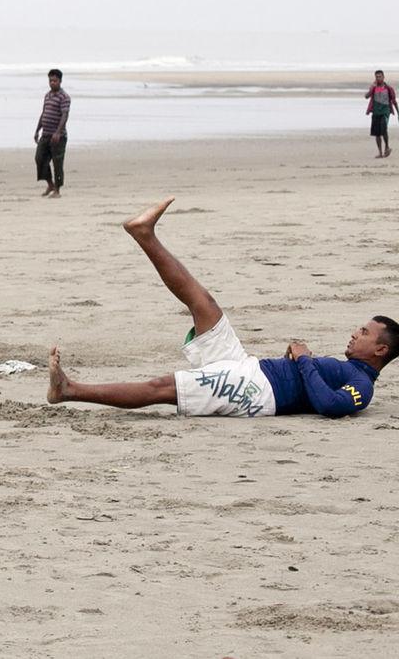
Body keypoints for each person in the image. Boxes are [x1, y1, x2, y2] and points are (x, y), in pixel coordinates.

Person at [47, 198, 396, 418]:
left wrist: (305, 359)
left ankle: (70, 390)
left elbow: (331, 406)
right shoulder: (347, 368)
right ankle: (145, 235)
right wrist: (299, 361)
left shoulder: (361, 383)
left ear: (381, 349)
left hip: (255, 391)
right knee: (205, 305)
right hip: (249, 367)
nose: (355, 333)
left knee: (163, 387)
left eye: (364, 332)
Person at [35, 68, 70, 196]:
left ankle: (57, 189)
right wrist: (37, 129)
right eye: (50, 81)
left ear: (60, 81)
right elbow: (44, 113)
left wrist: (58, 132)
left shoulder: (64, 97)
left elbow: (65, 115)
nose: (52, 83)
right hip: (45, 135)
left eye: (55, 81)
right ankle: (50, 184)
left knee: (57, 163)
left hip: (58, 137)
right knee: (40, 159)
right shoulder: (47, 95)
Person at [367, 69, 394, 159]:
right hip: (375, 112)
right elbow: (366, 96)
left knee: (384, 129)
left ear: (383, 77)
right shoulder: (374, 88)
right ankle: (380, 152)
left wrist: (397, 112)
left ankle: (387, 147)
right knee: (377, 134)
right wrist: (371, 87)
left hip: (385, 112)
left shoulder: (388, 88)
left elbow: (394, 101)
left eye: (380, 76)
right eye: (377, 77)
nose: (378, 78)